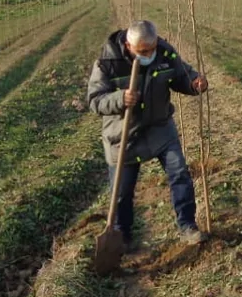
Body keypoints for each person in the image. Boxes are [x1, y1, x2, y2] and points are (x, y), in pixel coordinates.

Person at [87, 19, 209, 247]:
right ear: (128, 45)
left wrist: (195, 83)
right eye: (142, 51)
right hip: (123, 134)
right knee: (121, 192)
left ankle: (187, 226)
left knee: (180, 174)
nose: (149, 54)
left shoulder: (164, 53)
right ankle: (121, 238)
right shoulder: (107, 63)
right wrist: (119, 99)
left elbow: (182, 76)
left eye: (151, 49)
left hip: (160, 127)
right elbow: (95, 101)